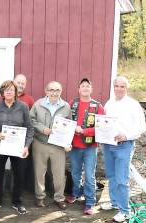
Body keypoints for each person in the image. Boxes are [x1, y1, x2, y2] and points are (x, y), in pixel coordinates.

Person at [100, 76, 146, 222]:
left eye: (122, 86)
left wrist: (125, 136)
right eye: (116, 86)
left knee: (122, 179)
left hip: (124, 146)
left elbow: (141, 127)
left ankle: (125, 210)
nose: (119, 89)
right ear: (113, 87)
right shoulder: (109, 103)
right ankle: (114, 202)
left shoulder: (133, 105)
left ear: (127, 88)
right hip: (108, 145)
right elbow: (105, 123)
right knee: (111, 176)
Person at [0, 80, 34, 215]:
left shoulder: (23, 107)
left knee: (19, 174)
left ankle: (17, 202)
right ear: (2, 92)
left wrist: (26, 146)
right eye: (6, 90)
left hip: (18, 146)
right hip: (1, 144)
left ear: (15, 92)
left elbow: (30, 128)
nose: (9, 92)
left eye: (11, 89)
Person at [65, 78, 105, 215]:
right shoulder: (73, 103)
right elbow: (66, 122)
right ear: (79, 89)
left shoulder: (98, 106)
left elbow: (102, 127)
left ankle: (90, 202)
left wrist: (84, 131)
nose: (85, 88)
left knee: (89, 175)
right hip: (75, 146)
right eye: (83, 86)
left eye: (88, 86)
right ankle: (76, 193)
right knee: (75, 173)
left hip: (90, 147)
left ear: (91, 89)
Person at [29, 81, 71, 210]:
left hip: (58, 145)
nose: (54, 93)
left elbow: (69, 125)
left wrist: (67, 142)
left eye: (57, 90)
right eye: (51, 90)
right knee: (39, 172)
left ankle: (59, 198)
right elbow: (31, 120)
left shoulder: (66, 107)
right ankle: (40, 197)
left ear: (61, 91)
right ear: (46, 91)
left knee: (59, 173)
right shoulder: (38, 104)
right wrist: (42, 129)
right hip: (40, 142)